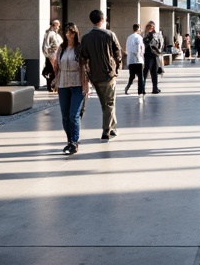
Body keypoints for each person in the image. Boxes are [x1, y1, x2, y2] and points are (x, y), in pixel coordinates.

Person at [79, 9, 122, 140]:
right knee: (109, 102)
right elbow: (118, 53)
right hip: (109, 73)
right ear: (102, 20)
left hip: (95, 75)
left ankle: (113, 127)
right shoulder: (110, 35)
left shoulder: (86, 38)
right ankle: (106, 130)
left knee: (105, 103)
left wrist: (86, 74)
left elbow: (83, 58)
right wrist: (117, 68)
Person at [52, 23, 90, 155]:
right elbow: (57, 65)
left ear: (76, 33)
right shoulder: (61, 48)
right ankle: (69, 141)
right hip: (63, 84)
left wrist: (86, 85)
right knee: (65, 116)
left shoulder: (79, 48)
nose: (69, 34)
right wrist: (56, 81)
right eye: (67, 32)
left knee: (74, 115)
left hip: (77, 84)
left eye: (72, 32)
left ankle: (74, 142)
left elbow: (86, 67)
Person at [142, 20, 164, 94]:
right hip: (147, 55)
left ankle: (155, 88)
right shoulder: (144, 35)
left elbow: (161, 44)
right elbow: (143, 44)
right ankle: (142, 88)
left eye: (152, 27)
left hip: (155, 56)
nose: (150, 28)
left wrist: (159, 51)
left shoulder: (157, 35)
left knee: (154, 72)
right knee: (145, 72)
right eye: (149, 26)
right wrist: (149, 38)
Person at [42, 19, 63, 93]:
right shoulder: (49, 34)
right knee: (52, 72)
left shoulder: (56, 35)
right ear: (55, 25)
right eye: (58, 25)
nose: (58, 27)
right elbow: (46, 46)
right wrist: (48, 56)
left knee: (56, 72)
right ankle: (51, 86)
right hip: (52, 56)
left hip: (58, 55)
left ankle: (55, 85)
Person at [125, 23, 144, 95]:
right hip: (138, 60)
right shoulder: (139, 37)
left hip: (130, 60)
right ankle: (140, 91)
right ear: (138, 29)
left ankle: (127, 87)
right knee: (140, 77)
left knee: (132, 76)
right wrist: (141, 56)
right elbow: (140, 48)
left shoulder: (129, 37)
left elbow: (127, 48)